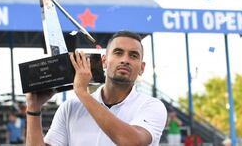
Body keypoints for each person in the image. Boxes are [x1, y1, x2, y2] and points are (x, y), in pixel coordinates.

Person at [25, 30, 167, 146]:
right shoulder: (70, 108)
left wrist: (81, 91)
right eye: (118, 53)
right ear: (104, 61)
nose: (125, 60)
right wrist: (33, 109)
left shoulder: (151, 106)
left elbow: (131, 142)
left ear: (142, 68)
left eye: (133, 55)